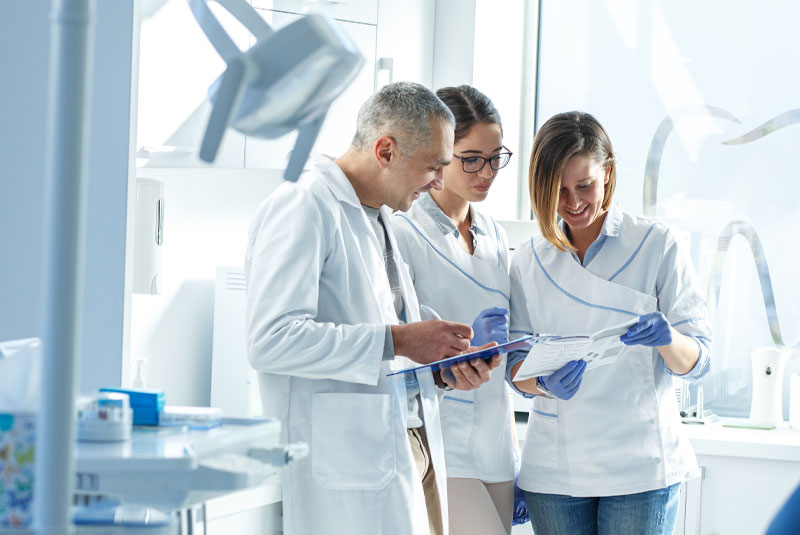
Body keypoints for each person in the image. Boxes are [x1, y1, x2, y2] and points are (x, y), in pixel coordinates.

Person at [244, 81, 501, 535]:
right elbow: (271, 340)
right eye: (433, 167)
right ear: (385, 151)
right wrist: (400, 339)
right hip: (348, 462)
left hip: (409, 446)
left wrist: (442, 370)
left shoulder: (379, 216)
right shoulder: (304, 204)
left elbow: (385, 350)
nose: (438, 182)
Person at [506, 111, 712, 535]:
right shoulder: (528, 259)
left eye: (584, 185)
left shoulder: (656, 245)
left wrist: (668, 339)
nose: (573, 203)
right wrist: (543, 383)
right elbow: (515, 367)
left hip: (639, 468)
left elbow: (700, 361)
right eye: (558, 190)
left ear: (609, 173)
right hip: (556, 470)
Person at [391, 85, 523, 534]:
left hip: (496, 444)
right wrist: (456, 353)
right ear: (442, 154)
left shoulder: (494, 234)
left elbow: (505, 349)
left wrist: (514, 453)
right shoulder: (404, 232)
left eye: (495, 158)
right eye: (471, 159)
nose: (486, 173)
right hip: (441, 440)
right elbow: (395, 350)